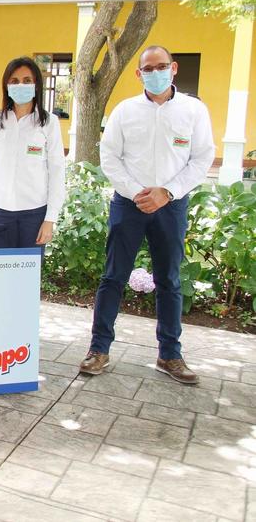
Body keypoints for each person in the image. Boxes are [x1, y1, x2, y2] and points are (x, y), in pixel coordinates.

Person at [80, 45, 215, 384]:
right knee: (112, 277)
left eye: (161, 66)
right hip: (129, 203)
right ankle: (99, 349)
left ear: (174, 68)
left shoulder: (193, 110)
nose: (156, 73)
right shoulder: (125, 112)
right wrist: (137, 192)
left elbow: (201, 158)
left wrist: (166, 192)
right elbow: (110, 157)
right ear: (138, 74)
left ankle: (170, 355)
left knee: (169, 280)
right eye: (148, 69)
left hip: (172, 204)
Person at [0, 57, 65, 248]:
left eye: (27, 80)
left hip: (34, 214)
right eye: (14, 81)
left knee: (28, 275)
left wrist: (50, 219)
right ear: (6, 86)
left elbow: (57, 171)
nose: (21, 85)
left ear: (36, 86)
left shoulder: (49, 122)